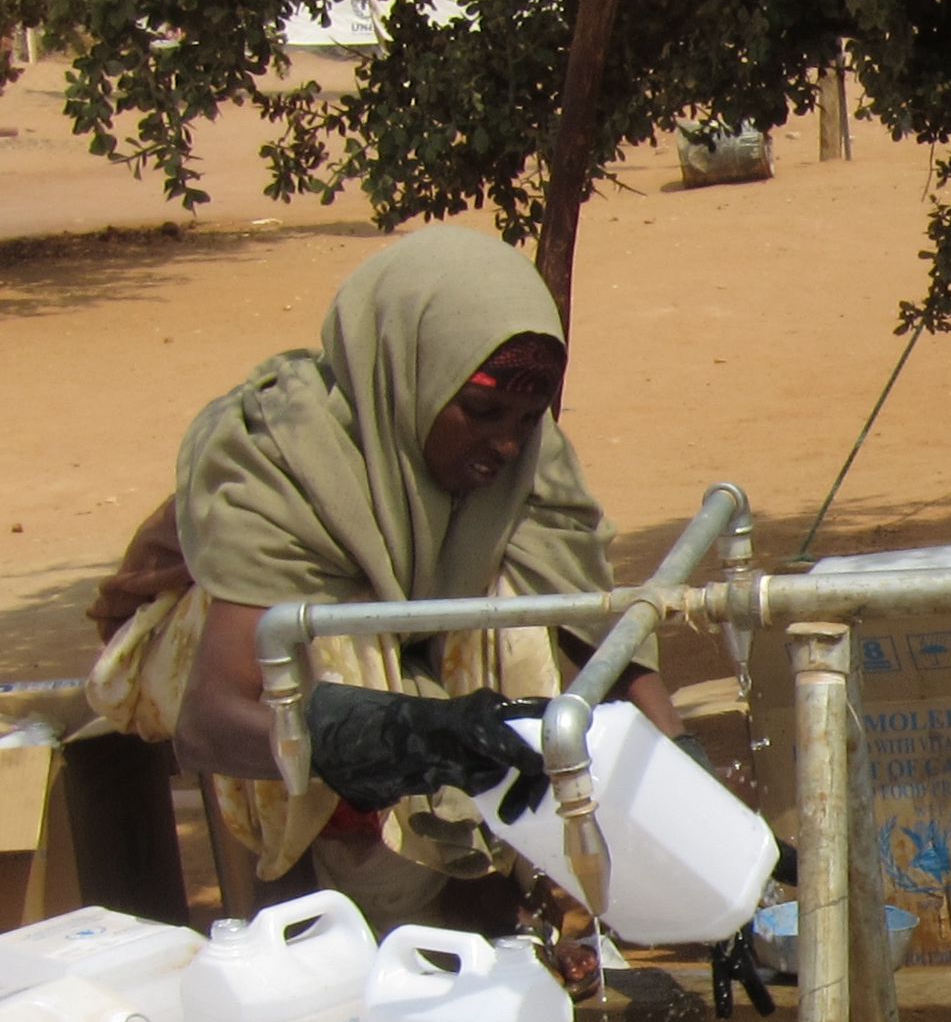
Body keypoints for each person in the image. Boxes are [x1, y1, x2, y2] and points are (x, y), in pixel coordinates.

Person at [88, 226, 684, 931]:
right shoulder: (274, 451)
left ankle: (491, 879)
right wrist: (422, 742)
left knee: (520, 614)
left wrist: (685, 791)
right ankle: (362, 904)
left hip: (409, 657)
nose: (507, 442)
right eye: (484, 412)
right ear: (412, 375)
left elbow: (595, 630)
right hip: (220, 668)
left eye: (528, 417)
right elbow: (212, 720)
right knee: (335, 636)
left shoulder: (525, 456)